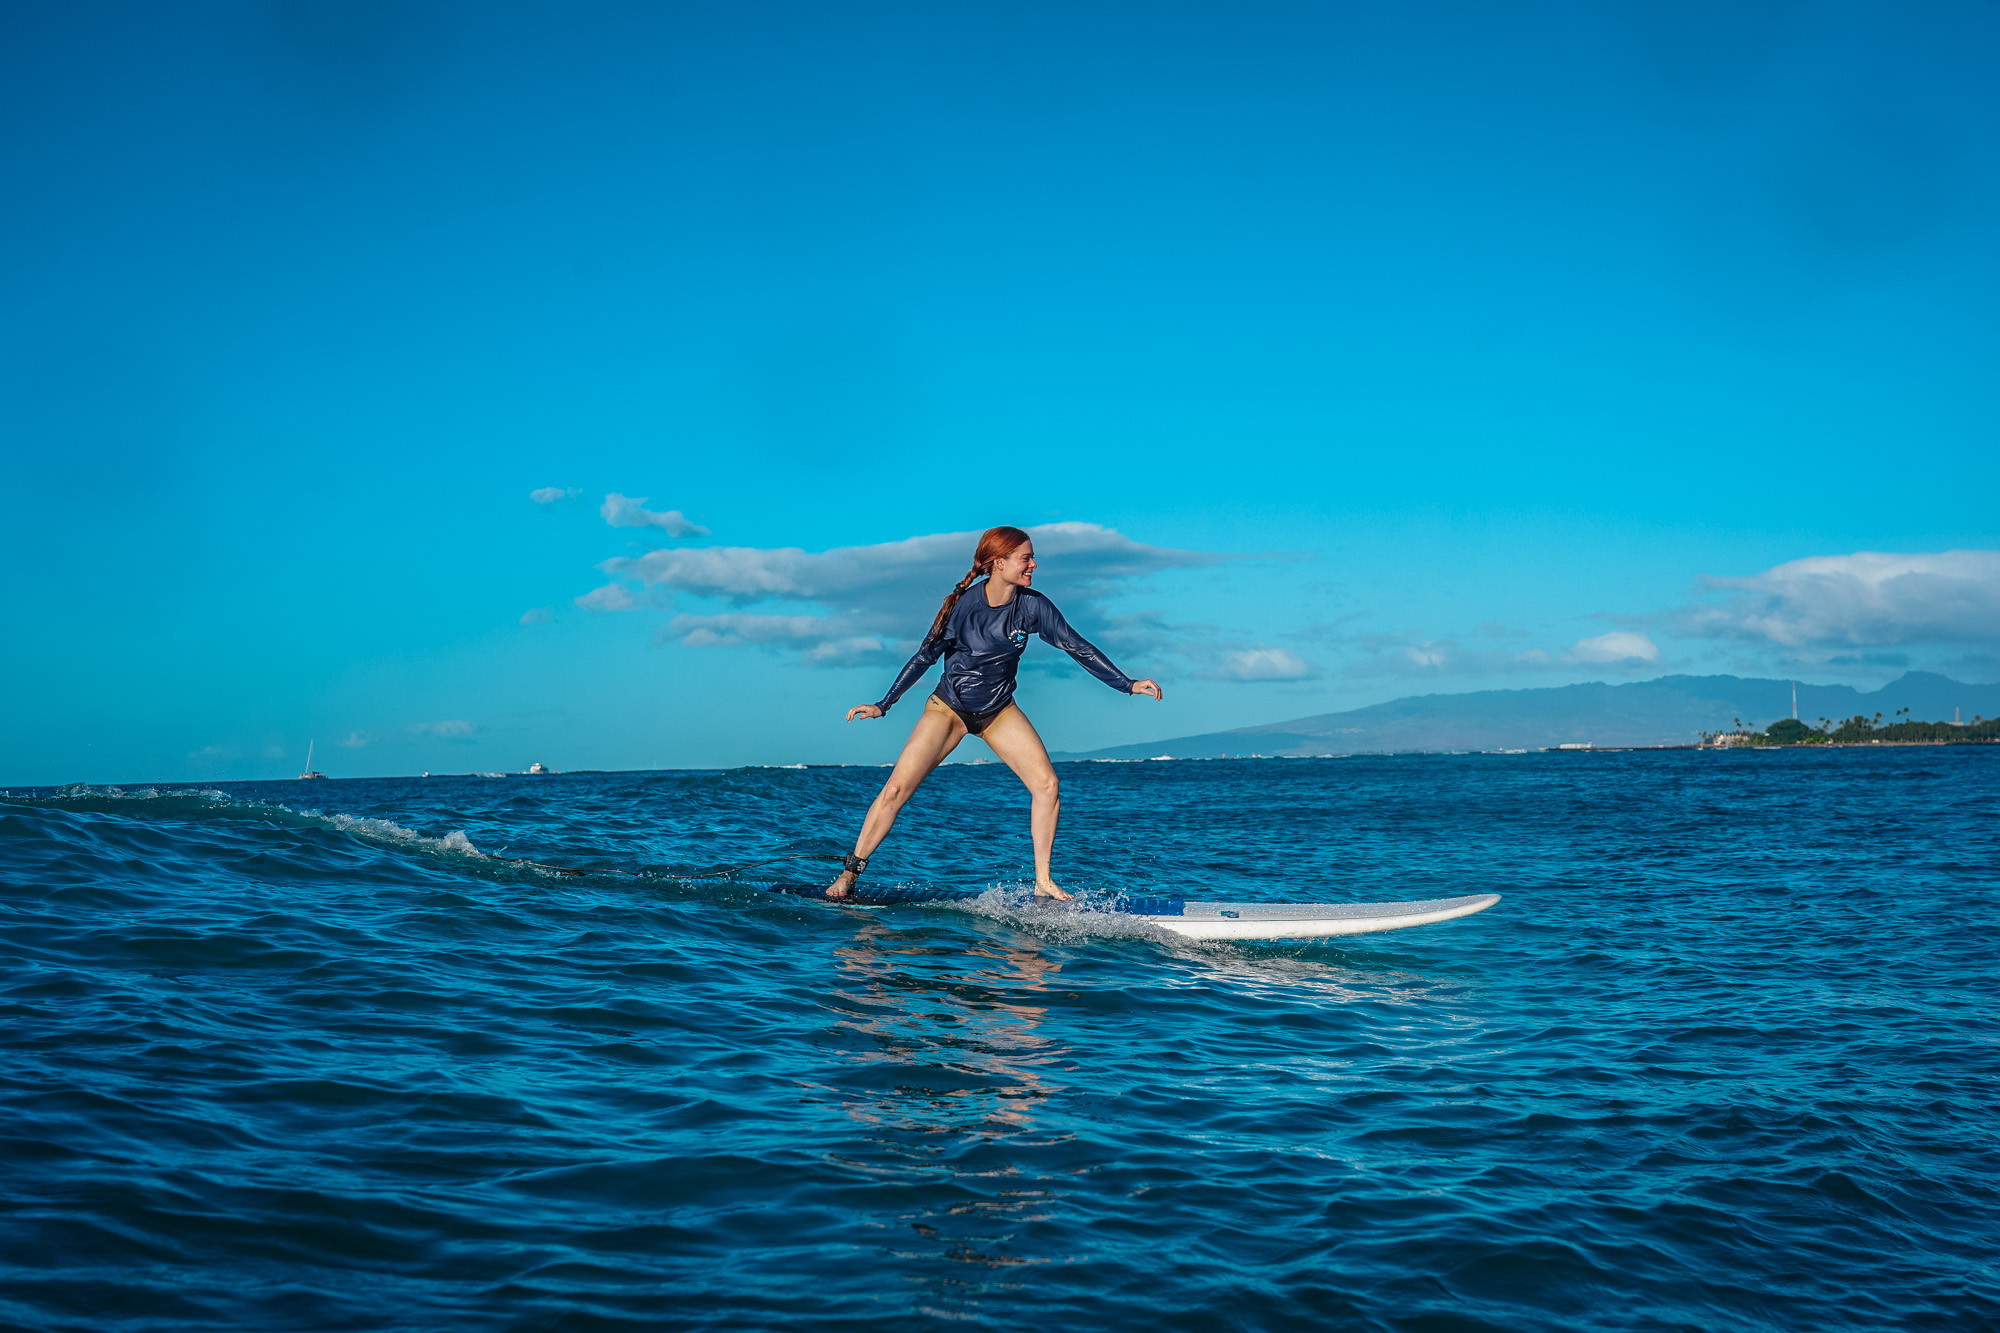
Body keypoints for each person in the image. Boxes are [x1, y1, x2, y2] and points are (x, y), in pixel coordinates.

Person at [827, 525, 1162, 900]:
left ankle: (1043, 881)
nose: (1033, 564)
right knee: (896, 789)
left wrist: (1126, 683)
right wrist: (884, 704)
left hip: (998, 711)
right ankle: (848, 877)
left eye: (1032, 557)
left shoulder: (1033, 606)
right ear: (999, 563)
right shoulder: (964, 606)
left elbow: (1076, 645)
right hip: (948, 709)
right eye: (1025, 558)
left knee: (1047, 785)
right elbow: (926, 655)